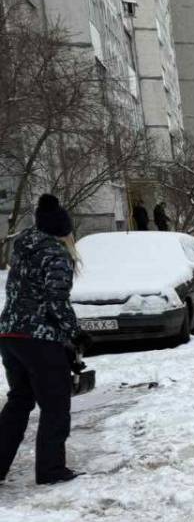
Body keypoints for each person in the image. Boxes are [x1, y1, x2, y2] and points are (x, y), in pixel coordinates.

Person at [0, 194, 83, 484]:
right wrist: (75, 333)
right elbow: (56, 299)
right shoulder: (56, 254)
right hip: (40, 339)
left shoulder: (22, 249)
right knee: (55, 403)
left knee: (19, 401)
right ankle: (50, 470)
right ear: (63, 230)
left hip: (10, 334)